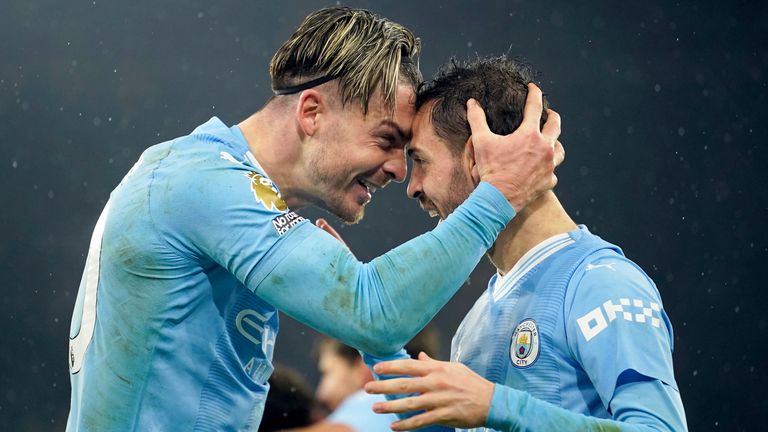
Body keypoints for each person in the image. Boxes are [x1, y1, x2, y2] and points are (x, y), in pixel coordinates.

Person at [66, 7, 564, 431]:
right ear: (311, 112)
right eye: (387, 138)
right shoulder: (201, 183)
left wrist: (378, 340)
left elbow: (372, 324)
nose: (397, 169)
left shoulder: (213, 184)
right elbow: (373, 309)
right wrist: (499, 193)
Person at [362, 57, 687, 431]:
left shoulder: (603, 284)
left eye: (420, 160)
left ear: (475, 157)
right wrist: (373, 340)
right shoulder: (476, 321)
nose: (413, 186)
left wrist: (498, 405)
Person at [289, 327, 441, 432]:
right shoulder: (441, 409)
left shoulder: (379, 403)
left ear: (366, 366)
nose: (321, 393)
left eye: (328, 373)